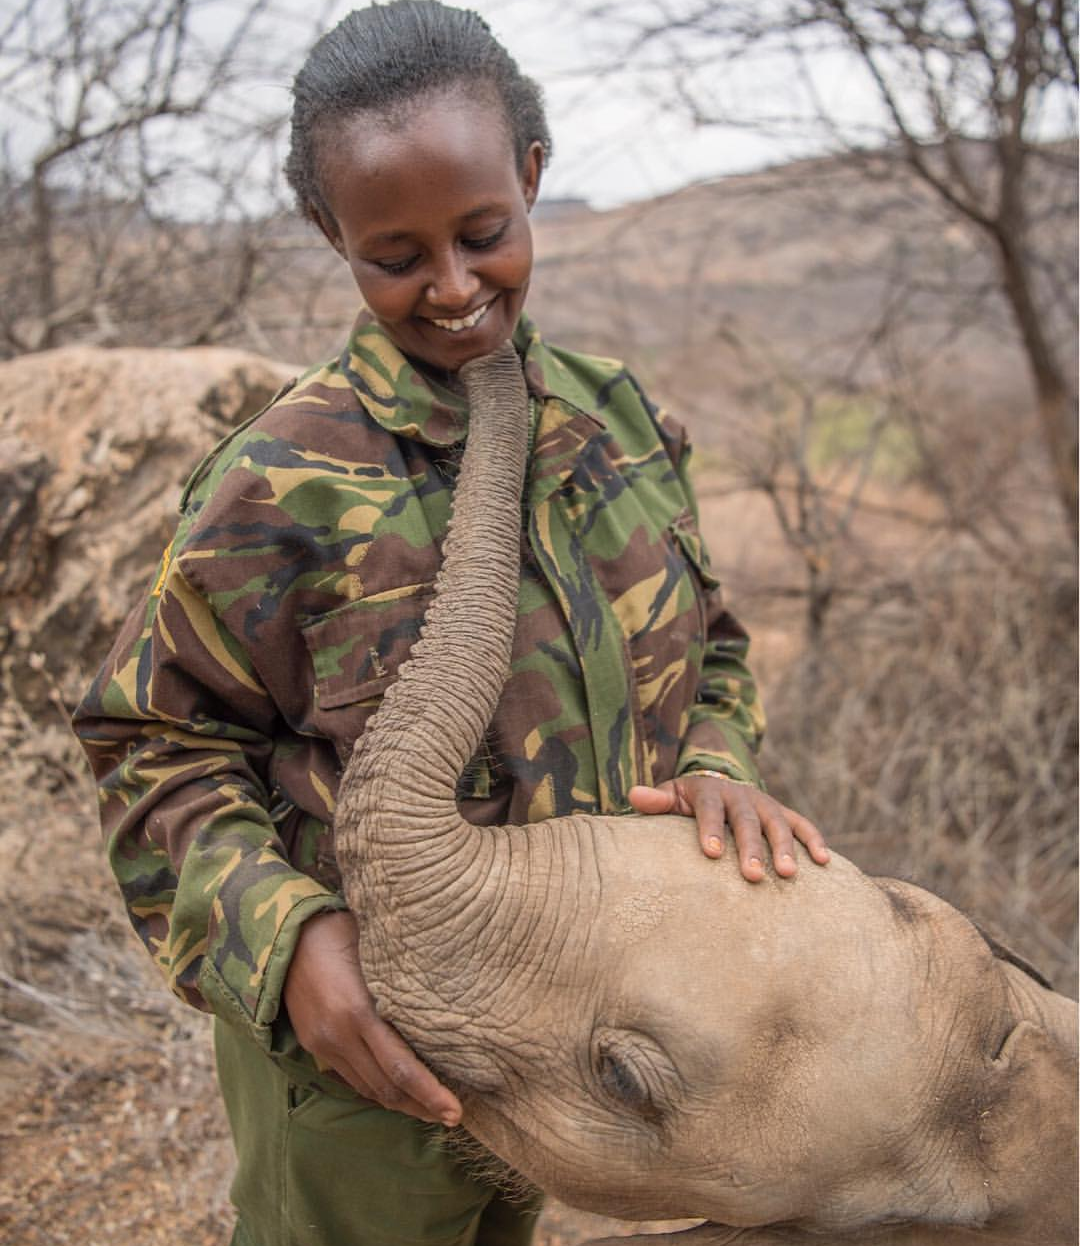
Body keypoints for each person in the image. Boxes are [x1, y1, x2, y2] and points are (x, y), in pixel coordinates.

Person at [72, 4, 830, 1244]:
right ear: (332, 235)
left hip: (568, 1039)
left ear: (531, 177)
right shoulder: (279, 481)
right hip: (362, 1065)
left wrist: (715, 762)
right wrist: (287, 939)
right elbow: (152, 743)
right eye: (396, 255)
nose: (455, 286)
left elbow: (716, 649)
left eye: (484, 234)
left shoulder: (617, 421)